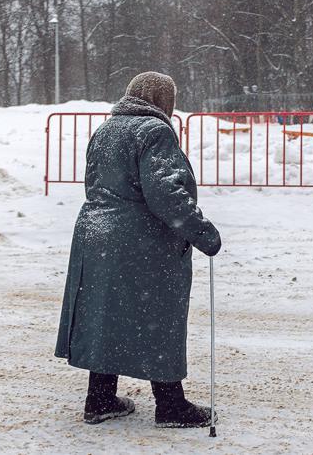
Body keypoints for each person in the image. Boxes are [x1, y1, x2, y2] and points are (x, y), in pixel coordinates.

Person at [55, 71, 222, 427]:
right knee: (157, 315)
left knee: (108, 316)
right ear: (164, 103)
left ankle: (99, 400)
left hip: (96, 235)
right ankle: (171, 405)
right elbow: (166, 193)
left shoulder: (105, 130)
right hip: (140, 240)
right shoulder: (154, 132)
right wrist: (202, 233)